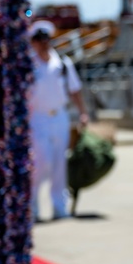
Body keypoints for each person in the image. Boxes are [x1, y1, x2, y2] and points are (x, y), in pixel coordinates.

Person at [28, 19, 89, 221]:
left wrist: (82, 112)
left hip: (59, 116)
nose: (42, 43)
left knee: (59, 162)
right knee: (41, 161)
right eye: (38, 39)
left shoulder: (62, 63)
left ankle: (59, 206)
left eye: (45, 39)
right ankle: (33, 206)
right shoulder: (29, 66)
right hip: (38, 117)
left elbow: (75, 90)